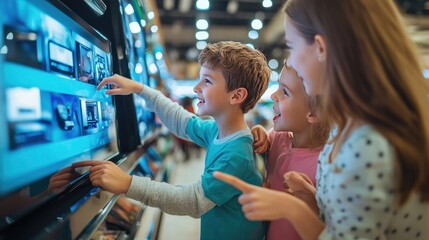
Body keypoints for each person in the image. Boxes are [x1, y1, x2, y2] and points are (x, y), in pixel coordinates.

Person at [214, 0, 429, 239]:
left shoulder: (367, 143)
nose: (292, 61)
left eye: (292, 47)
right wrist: (312, 201)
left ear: (320, 49)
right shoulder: (349, 126)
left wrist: (291, 208)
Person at [73, 41, 271, 240]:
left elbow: (193, 201)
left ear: (237, 95)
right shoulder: (218, 131)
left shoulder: (236, 154)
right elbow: (181, 121)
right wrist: (140, 89)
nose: (196, 88)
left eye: (207, 81)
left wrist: (128, 184)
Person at [251, 64, 329, 240]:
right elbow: (264, 138)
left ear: (314, 112)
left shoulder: (328, 163)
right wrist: (258, 132)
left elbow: (331, 228)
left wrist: (311, 201)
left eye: (285, 92)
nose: (273, 96)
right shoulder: (279, 137)